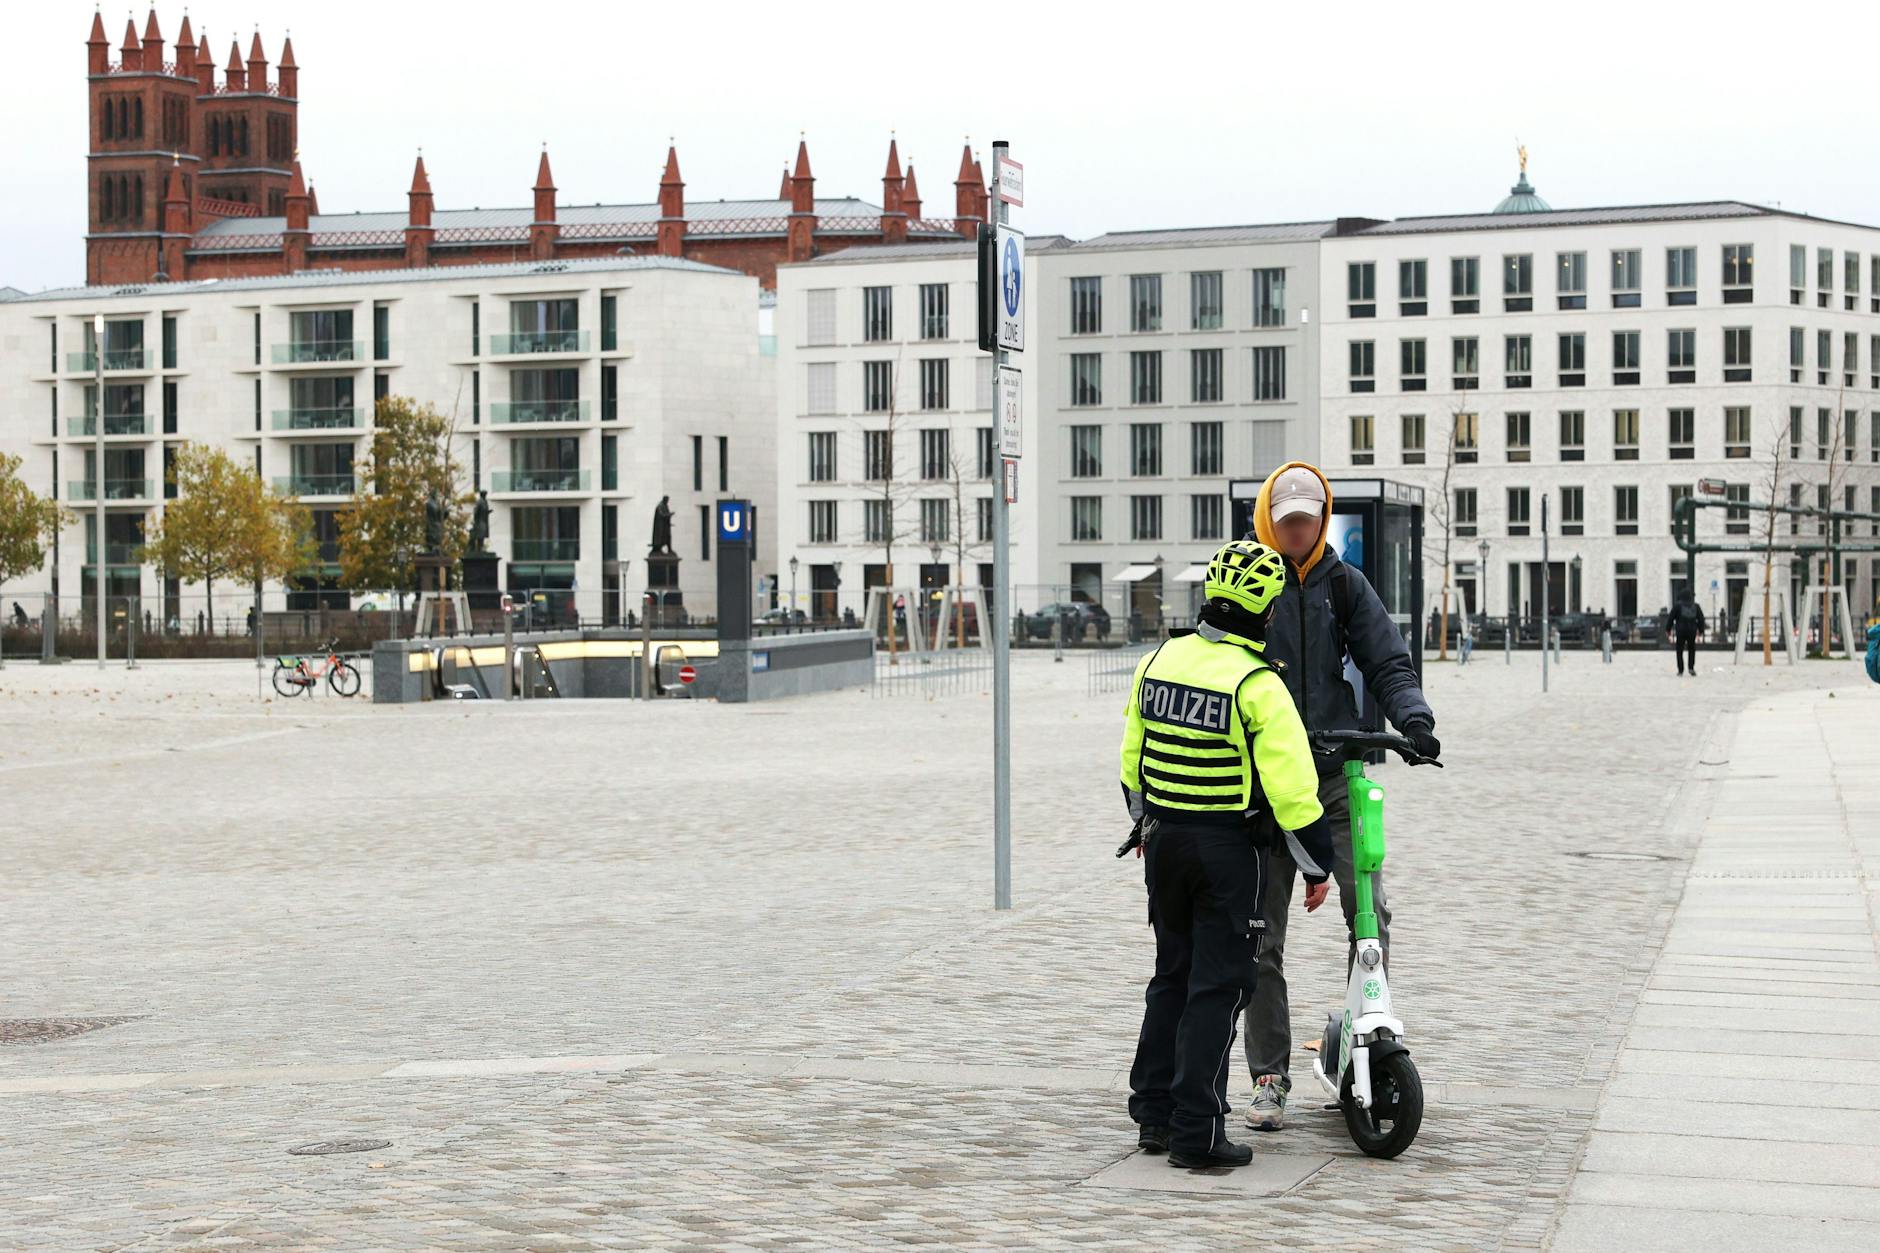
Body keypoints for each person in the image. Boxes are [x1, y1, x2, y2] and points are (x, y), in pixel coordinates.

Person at [1121, 538, 1335, 1170]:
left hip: (1164, 842)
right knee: (1220, 985)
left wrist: (1142, 826)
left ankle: (1153, 1115)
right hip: (1224, 850)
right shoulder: (1257, 684)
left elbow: (1133, 760)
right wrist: (1316, 865)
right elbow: (1293, 789)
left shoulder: (1158, 660)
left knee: (1172, 976)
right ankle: (1198, 1131)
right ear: (1268, 612)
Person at [1241, 462, 1440, 1132]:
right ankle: (1268, 1073)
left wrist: (1413, 719)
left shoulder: (1344, 585)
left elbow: (1385, 658)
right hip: (1265, 786)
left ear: (1321, 519)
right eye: (1287, 517)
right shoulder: (1251, 582)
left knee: (1369, 917)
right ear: (1271, 517)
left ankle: (1365, 1037)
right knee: (1259, 935)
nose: (1297, 528)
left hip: (1334, 775)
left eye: (1308, 517)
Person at [1667, 589, 1706, 676]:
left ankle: (1680, 670)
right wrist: (1700, 631)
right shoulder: (1696, 606)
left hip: (1680, 631)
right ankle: (1691, 668)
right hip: (1692, 631)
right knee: (1692, 649)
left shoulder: (1677, 606)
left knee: (1679, 650)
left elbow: (1671, 618)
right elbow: (1701, 619)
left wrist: (1668, 630)